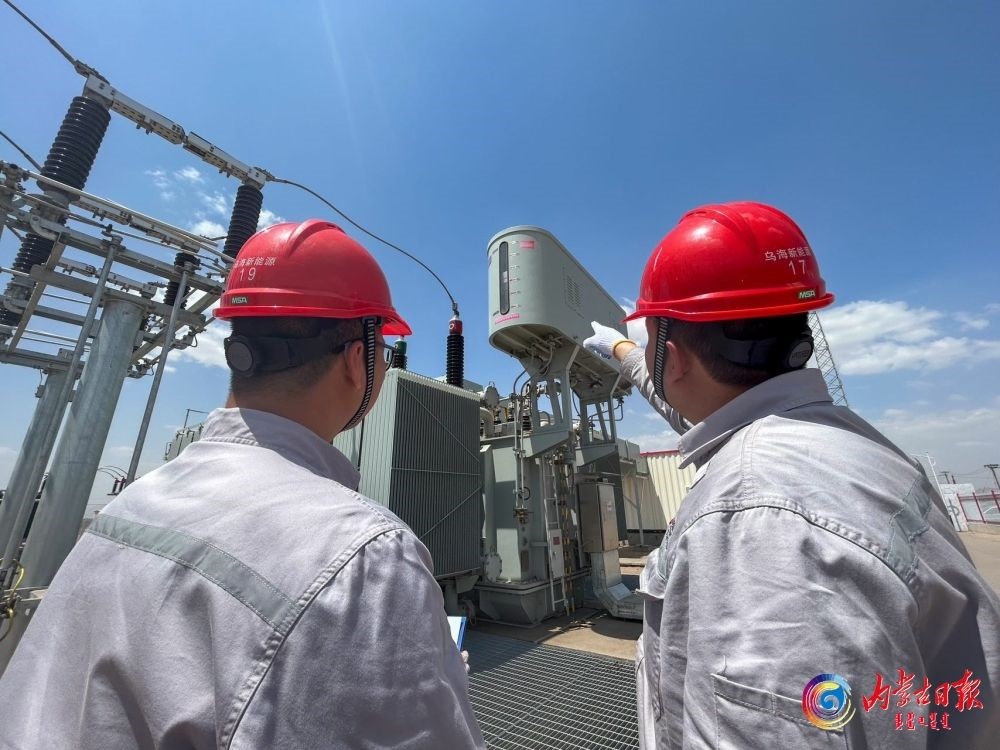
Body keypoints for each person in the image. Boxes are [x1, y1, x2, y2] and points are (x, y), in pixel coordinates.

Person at [0, 220, 485, 749]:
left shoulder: (125, 509)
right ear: (356, 361)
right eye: (383, 354)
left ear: (239, 349)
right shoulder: (365, 560)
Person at [584, 202, 1000, 749]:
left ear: (676, 358)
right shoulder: (837, 438)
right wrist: (625, 352)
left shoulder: (759, 520)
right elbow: (700, 401)